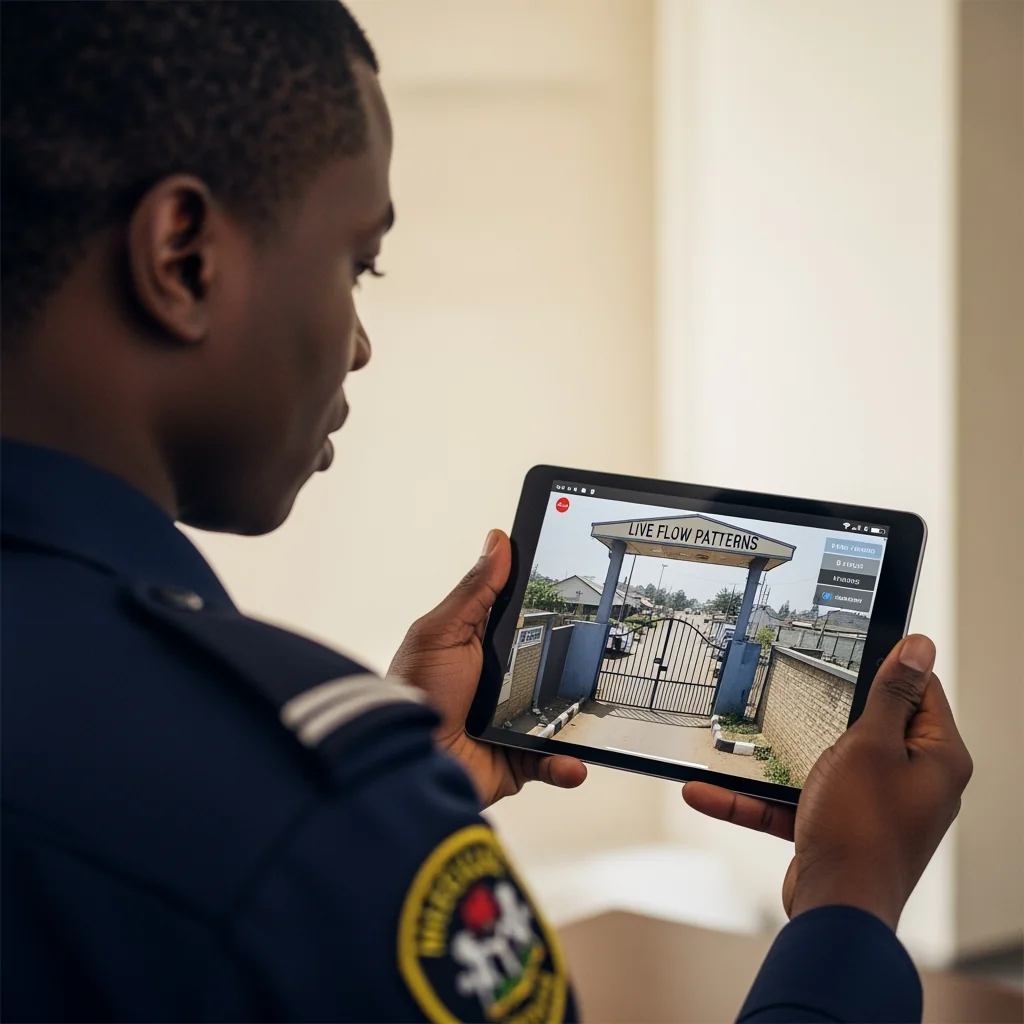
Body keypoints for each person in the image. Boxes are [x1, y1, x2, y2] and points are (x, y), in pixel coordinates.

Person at [0, 3, 972, 1022]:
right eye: (357, 263)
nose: (360, 344)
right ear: (184, 257)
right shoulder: (289, 810)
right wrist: (849, 902)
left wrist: (400, 799)